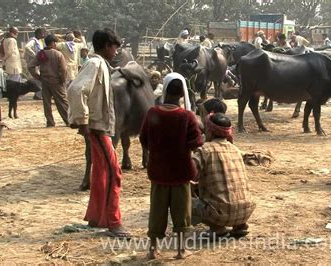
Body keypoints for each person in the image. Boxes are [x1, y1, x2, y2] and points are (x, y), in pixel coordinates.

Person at [67, 28, 130, 238]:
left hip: (100, 125)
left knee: (101, 172)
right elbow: (75, 90)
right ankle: (114, 223)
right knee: (114, 173)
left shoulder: (102, 64)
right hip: (97, 127)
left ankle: (96, 218)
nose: (116, 51)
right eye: (114, 47)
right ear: (105, 46)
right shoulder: (95, 64)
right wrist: (82, 120)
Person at [140, 72, 203, 260]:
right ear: (182, 94)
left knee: (157, 209)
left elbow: (144, 139)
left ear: (165, 90)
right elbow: (196, 142)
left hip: (158, 170)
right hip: (181, 170)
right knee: (182, 211)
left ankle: (153, 249)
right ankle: (181, 250)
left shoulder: (152, 113)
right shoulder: (187, 116)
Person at [192, 112, 256, 238]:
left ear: (209, 131)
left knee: (184, 199)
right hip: (246, 210)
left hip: (219, 213)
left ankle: (217, 228)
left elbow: (187, 174)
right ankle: (240, 225)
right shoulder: (236, 150)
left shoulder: (204, 150)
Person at [28, 34, 69, 127]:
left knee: (47, 103)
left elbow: (30, 66)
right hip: (57, 81)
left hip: (45, 81)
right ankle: (68, 120)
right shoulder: (58, 54)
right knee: (62, 102)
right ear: (53, 43)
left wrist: (37, 76)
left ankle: (50, 122)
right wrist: (63, 79)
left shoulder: (41, 53)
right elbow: (63, 69)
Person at [24, 28, 46, 100]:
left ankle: (38, 94)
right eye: (43, 33)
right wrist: (34, 55)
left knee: (38, 78)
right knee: (37, 78)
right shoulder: (33, 40)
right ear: (38, 33)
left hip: (37, 63)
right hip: (33, 62)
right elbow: (27, 47)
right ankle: (37, 95)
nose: (44, 35)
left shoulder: (39, 41)